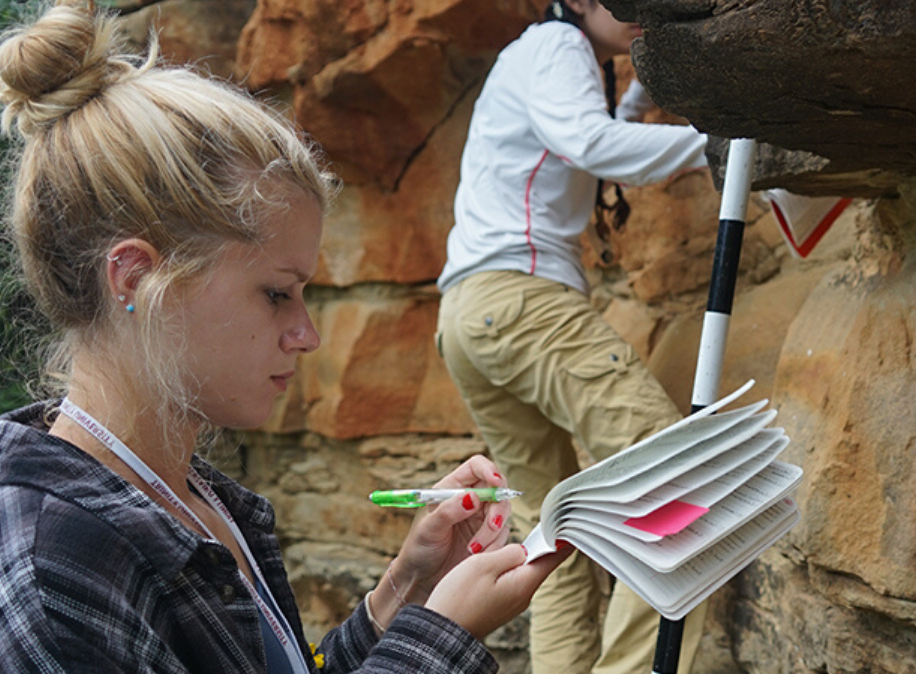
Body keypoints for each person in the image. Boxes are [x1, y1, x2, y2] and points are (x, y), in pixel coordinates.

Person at [0, 2, 572, 672]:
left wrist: (405, 596)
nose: (306, 336)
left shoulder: (187, 495)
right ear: (135, 279)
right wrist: (438, 642)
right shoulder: (56, 571)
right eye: (277, 294)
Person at [435, 1, 711, 672]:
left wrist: (642, 83)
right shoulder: (556, 44)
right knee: (677, 487)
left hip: (469, 318)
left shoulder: (546, 55)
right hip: (523, 302)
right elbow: (589, 144)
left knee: (551, 539)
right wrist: (720, 142)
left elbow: (590, 140)